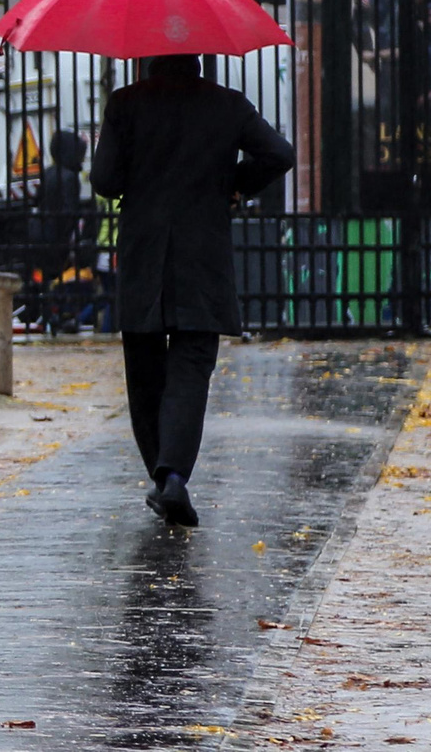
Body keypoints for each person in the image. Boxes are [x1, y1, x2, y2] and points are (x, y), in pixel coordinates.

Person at [89, 53, 294, 527]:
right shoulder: (228, 105)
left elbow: (104, 181)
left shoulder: (125, 103)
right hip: (203, 256)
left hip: (145, 255)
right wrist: (234, 182)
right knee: (191, 369)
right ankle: (176, 476)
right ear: (199, 61)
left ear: (149, 62)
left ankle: (163, 480)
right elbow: (279, 153)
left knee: (143, 372)